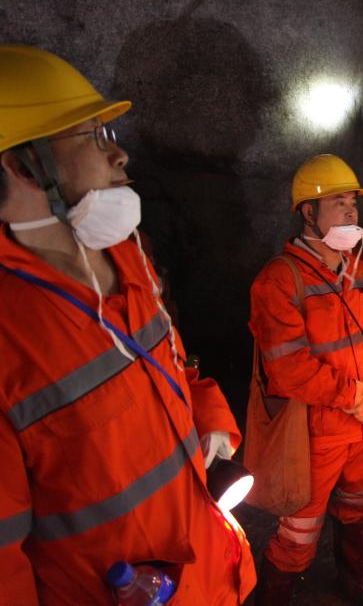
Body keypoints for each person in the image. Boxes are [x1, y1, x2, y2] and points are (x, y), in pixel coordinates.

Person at [0, 44, 255, 603]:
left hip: (209, 569)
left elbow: (173, 368)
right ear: (23, 165)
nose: (120, 156)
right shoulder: (9, 335)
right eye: (94, 137)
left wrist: (210, 419)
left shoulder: (128, 256)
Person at [249, 154, 363, 605]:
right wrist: (355, 397)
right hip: (316, 435)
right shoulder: (280, 280)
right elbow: (288, 370)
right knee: (298, 532)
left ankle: (353, 583)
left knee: (357, 508)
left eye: (353, 202)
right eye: (337, 203)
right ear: (308, 213)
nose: (351, 212)